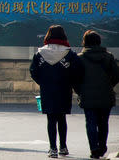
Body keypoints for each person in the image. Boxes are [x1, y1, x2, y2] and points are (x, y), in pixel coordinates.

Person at [30, 25, 83, 158]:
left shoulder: (39, 53)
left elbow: (33, 71)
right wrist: (71, 84)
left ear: (48, 35)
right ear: (63, 36)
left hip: (47, 90)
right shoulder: (70, 54)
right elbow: (77, 71)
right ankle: (63, 147)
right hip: (64, 89)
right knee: (62, 118)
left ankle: (52, 148)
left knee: (51, 119)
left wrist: (43, 83)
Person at [75, 30, 119, 159]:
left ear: (85, 42)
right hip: (106, 95)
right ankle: (102, 147)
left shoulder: (80, 58)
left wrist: (80, 90)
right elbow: (116, 75)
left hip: (87, 95)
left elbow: (75, 78)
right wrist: (108, 86)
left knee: (90, 122)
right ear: (99, 42)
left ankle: (94, 149)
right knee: (103, 123)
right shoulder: (108, 57)